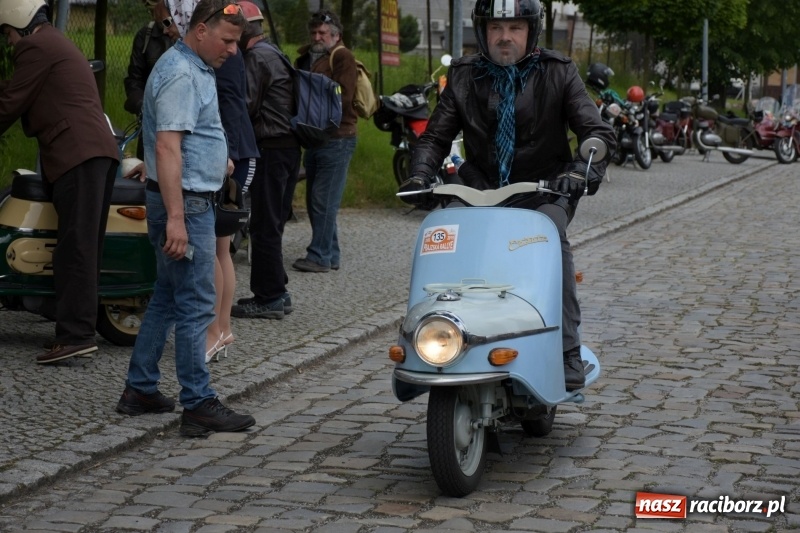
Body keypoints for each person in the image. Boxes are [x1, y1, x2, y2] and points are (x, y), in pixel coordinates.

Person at [400, 0, 616, 391]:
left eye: (515, 27)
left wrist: (577, 172)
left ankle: (567, 350)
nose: (504, 36)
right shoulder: (464, 75)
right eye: (496, 27)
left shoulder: (559, 71)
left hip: (546, 187)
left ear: (531, 31)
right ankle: (443, 334)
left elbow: (596, 132)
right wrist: (420, 174)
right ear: (482, 31)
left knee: (552, 239)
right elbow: (435, 136)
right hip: (482, 185)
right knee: (448, 238)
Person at [115, 0, 255, 438]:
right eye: (228, 41)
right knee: (196, 304)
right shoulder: (180, 72)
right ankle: (197, 403)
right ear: (200, 30)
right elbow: (166, 148)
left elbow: (184, 140)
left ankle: (140, 390)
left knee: (168, 298)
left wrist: (219, 161)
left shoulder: (191, 65)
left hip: (188, 198)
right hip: (186, 206)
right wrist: (176, 218)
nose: (233, 50)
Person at [0, 0, 120, 364]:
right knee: (78, 243)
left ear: (19, 25)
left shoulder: (37, 47)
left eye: (6, 34)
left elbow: (9, 102)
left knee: (76, 246)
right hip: (89, 152)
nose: (8, 43)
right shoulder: (54, 41)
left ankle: (77, 335)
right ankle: (69, 324)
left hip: (77, 153)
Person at [229, 0, 301, 319]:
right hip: (288, 147)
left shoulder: (255, 58)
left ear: (245, 30)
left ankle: (268, 297)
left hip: (270, 148)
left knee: (263, 224)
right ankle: (277, 290)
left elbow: (245, 105)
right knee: (273, 221)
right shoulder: (274, 52)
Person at [291, 10, 357, 274]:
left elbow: (345, 96)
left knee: (322, 200)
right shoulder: (307, 56)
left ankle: (318, 255)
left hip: (337, 137)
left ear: (336, 36)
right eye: (314, 32)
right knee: (318, 200)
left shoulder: (342, 56)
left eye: (323, 33)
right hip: (316, 137)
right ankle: (330, 254)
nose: (317, 37)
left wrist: (315, 108)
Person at [206, 38, 259, 353]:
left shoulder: (224, 52)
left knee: (214, 247)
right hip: (232, 152)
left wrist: (225, 152)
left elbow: (229, 103)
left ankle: (216, 329)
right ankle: (221, 329)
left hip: (231, 156)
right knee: (219, 248)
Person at [123, 0, 180, 159]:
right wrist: (142, 106)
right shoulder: (145, 36)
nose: (166, 29)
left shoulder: (192, 40)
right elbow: (134, 79)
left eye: (169, 22)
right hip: (151, 121)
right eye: (160, 21)